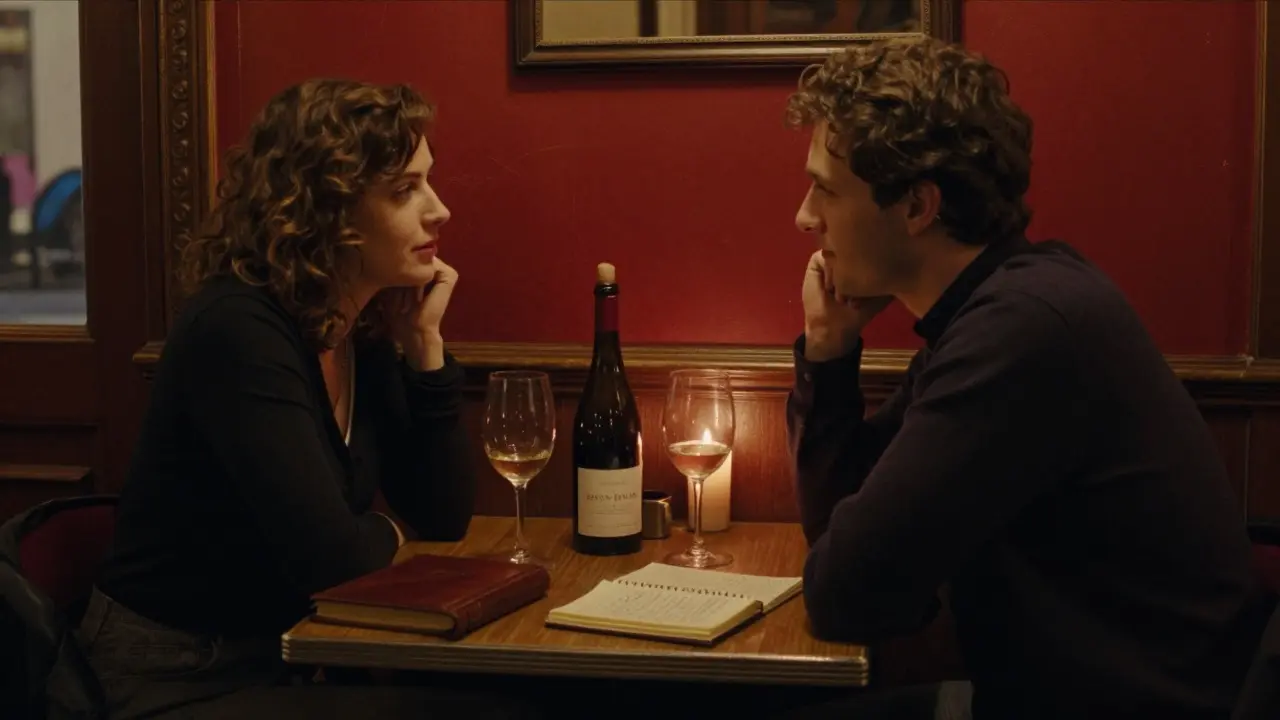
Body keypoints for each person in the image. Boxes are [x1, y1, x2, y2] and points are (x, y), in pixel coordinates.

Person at [782, 38, 1273, 720]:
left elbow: (848, 594)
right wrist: (830, 349)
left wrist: (860, 563)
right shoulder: (1004, 306)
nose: (805, 216)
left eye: (826, 189)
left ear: (918, 207)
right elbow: (844, 524)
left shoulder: (1023, 332)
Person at [79, 79, 538, 719]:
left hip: (280, 658)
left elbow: (441, 517)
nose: (439, 210)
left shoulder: (359, 324)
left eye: (428, 181)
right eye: (405, 190)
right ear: (330, 208)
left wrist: (425, 345)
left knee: (520, 699)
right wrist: (384, 533)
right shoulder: (238, 328)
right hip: (171, 674)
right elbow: (335, 561)